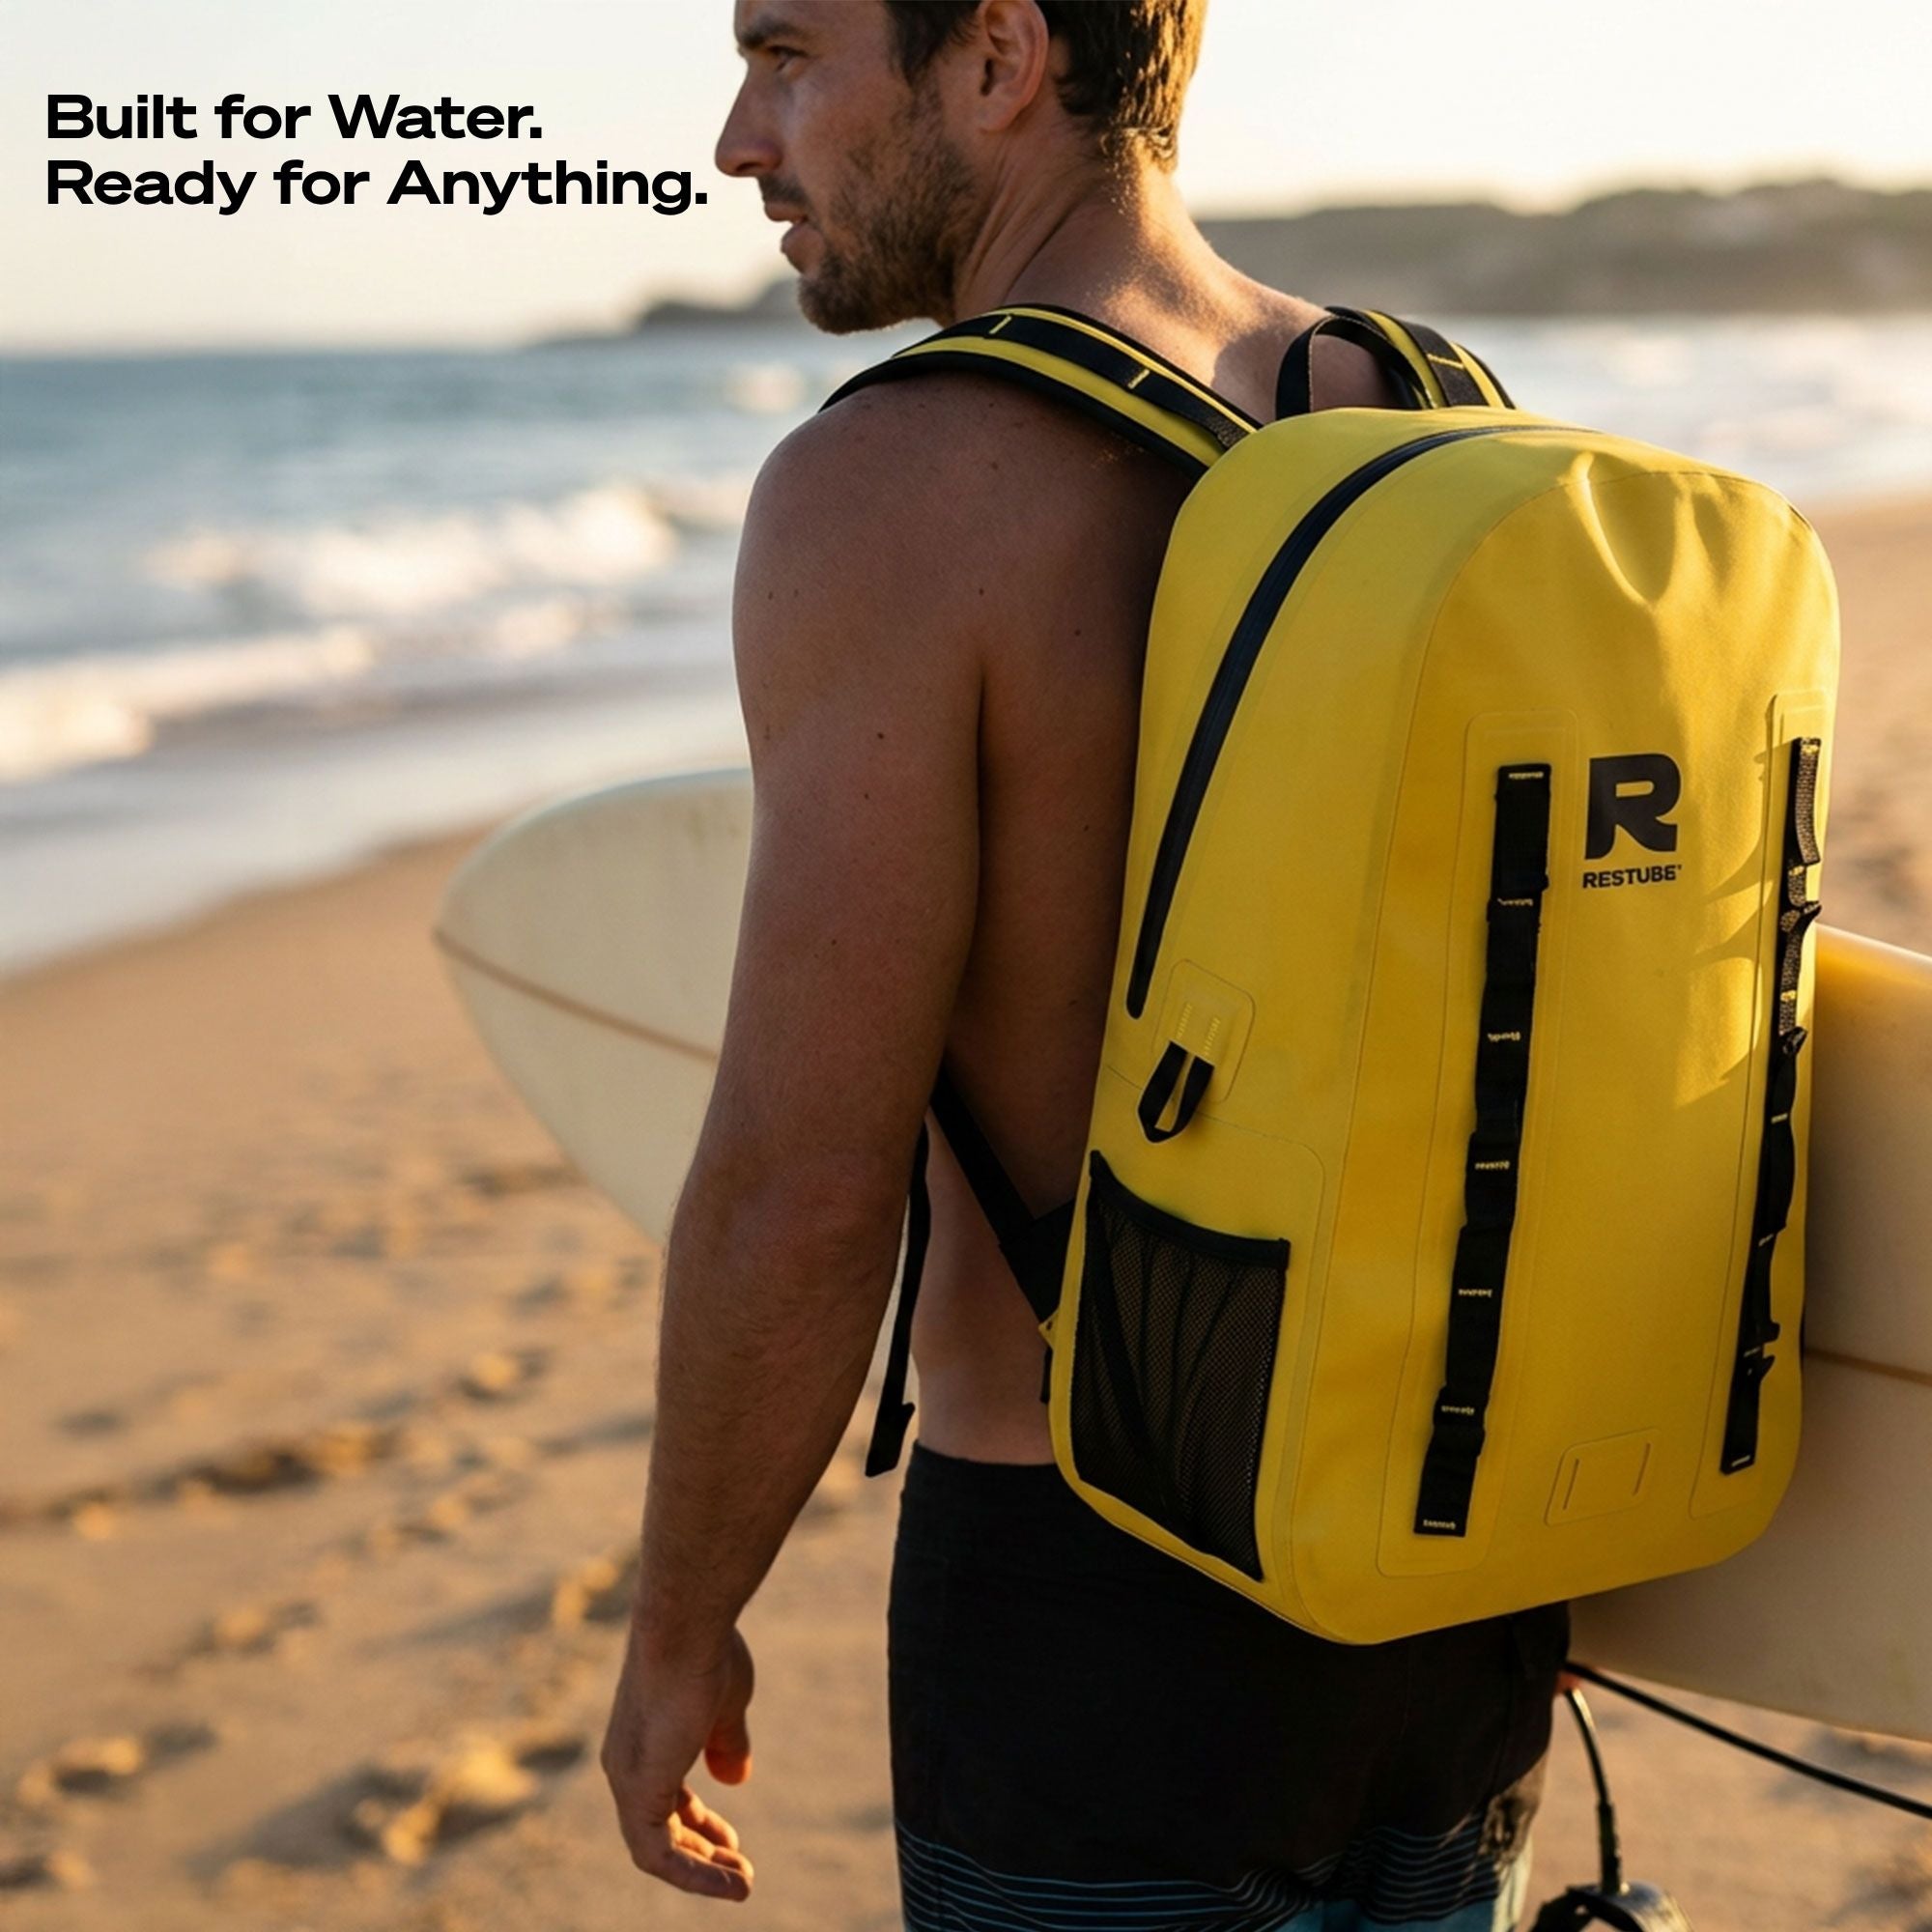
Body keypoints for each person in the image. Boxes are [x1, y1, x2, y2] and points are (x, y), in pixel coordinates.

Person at [601, 3, 1568, 1924]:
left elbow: (806, 1176)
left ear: (998, 57)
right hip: (1457, 1552)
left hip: (1100, 1592)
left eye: (790, 54)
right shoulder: (1450, 414)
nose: (734, 135)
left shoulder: (894, 492)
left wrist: (678, 1615)